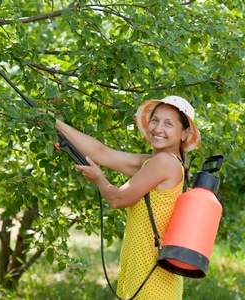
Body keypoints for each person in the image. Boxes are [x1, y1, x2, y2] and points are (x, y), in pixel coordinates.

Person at [56, 95, 201, 299]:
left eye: (169, 124)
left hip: (152, 283)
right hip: (143, 276)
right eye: (155, 120)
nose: (158, 128)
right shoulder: (155, 162)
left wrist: (99, 178)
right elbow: (101, 152)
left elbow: (117, 199)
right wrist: (55, 123)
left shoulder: (165, 164)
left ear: (184, 133)